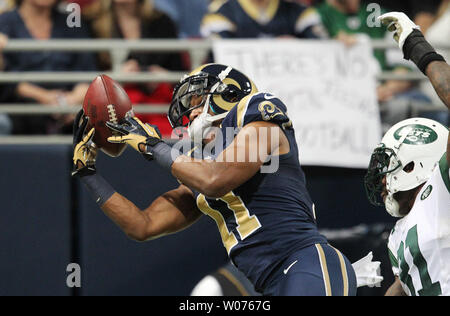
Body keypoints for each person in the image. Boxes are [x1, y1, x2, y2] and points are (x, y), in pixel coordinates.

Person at [72, 63, 360, 296]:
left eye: (197, 100)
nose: (192, 111)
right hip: (267, 284)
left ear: (229, 93)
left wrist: (153, 146)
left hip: (305, 263)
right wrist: (88, 174)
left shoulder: (258, 113)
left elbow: (216, 179)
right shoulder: (204, 164)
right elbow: (142, 225)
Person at [364, 12, 450, 296]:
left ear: (417, 161)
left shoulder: (441, 187)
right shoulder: (398, 236)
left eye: (389, 162)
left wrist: (416, 46)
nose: (383, 176)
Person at [81, 0, 185, 137]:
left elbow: (179, 72)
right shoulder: (90, 21)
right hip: (113, 108)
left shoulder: (162, 21)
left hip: (159, 105)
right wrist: (116, 77)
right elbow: (83, 73)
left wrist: (164, 76)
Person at [0, 0, 97, 134]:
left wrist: (71, 100)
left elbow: (87, 70)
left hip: (71, 109)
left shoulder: (72, 22)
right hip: (23, 111)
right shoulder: (5, 22)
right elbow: (7, 78)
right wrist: (45, 97)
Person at [200, 0, 327, 39]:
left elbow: (320, 45)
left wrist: (297, 45)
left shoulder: (298, 11)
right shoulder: (222, 11)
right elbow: (222, 53)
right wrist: (273, 46)